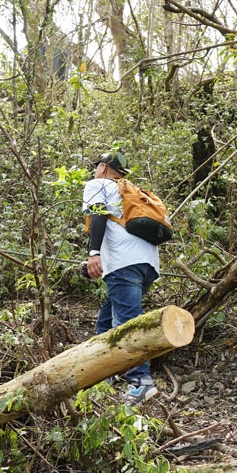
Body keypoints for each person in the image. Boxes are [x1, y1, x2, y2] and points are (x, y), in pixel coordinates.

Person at [82, 151, 161, 404]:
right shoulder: (130, 190)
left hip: (123, 265)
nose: (95, 171)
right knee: (106, 322)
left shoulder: (98, 184)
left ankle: (141, 382)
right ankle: (101, 376)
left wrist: (94, 253)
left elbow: (98, 215)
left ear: (103, 168)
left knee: (128, 323)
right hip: (147, 265)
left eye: (97, 167)